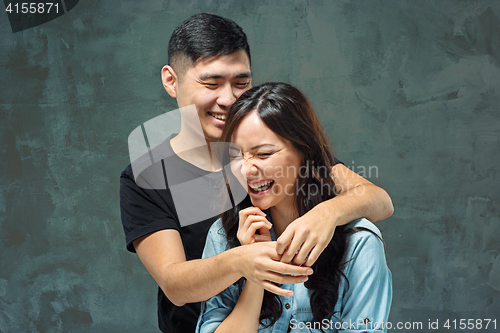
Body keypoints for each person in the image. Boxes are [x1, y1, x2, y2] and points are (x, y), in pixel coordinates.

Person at [120, 13, 394, 333]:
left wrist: (326, 214)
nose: (229, 98)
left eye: (241, 82)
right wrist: (247, 261)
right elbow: (176, 284)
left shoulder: (285, 155)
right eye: (211, 83)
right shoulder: (148, 178)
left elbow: (378, 200)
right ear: (171, 80)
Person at [196, 82, 392, 333]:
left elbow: (382, 201)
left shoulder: (359, 244)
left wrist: (326, 214)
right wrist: (256, 275)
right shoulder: (224, 235)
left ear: (304, 152)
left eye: (264, 154)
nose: (245, 170)